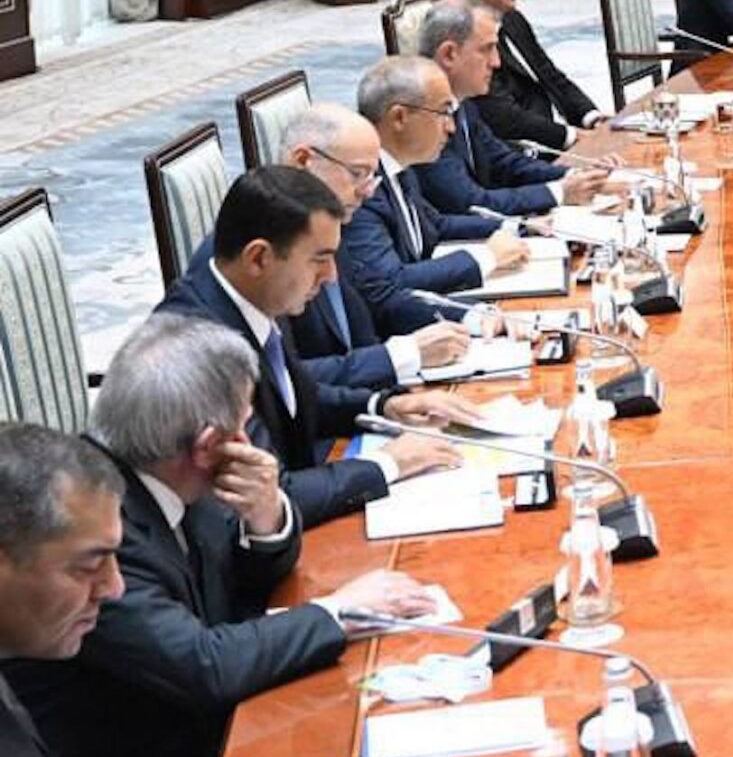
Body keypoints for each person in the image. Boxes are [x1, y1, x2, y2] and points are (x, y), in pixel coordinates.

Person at [3, 317, 439, 757]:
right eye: (247, 425)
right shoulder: (97, 527)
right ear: (211, 444)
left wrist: (265, 517)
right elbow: (203, 666)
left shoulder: (169, 475)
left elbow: (239, 578)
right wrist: (337, 611)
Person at [155, 165, 474, 526]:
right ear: (258, 257)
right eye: (319, 260)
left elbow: (297, 397)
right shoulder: (200, 352)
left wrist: (385, 404)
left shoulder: (254, 296)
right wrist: (388, 463)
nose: (331, 276)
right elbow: (267, 496)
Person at [270, 103, 474, 394]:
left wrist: (472, 319)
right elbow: (282, 381)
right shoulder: (270, 243)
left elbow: (377, 300)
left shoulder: (326, 219)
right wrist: (401, 357)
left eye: (371, 176)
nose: (368, 190)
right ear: (304, 161)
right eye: (357, 174)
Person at [338, 57, 530, 333]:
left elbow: (435, 225)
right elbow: (390, 282)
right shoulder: (361, 188)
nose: (451, 127)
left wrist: (518, 228)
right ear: (399, 117)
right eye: (442, 112)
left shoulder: (399, 165)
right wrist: (486, 257)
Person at [410, 0, 607, 218]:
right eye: (487, 50)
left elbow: (504, 162)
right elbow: (469, 203)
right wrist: (558, 192)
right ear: (449, 54)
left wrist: (578, 175)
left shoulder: (461, 101)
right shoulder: (421, 115)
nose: (496, 62)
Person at [448, 0, 601, 149]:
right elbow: (502, 116)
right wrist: (572, 137)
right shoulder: (460, 37)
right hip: (521, 151)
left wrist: (592, 118)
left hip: (558, 134)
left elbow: (550, 75)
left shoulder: (511, 19)